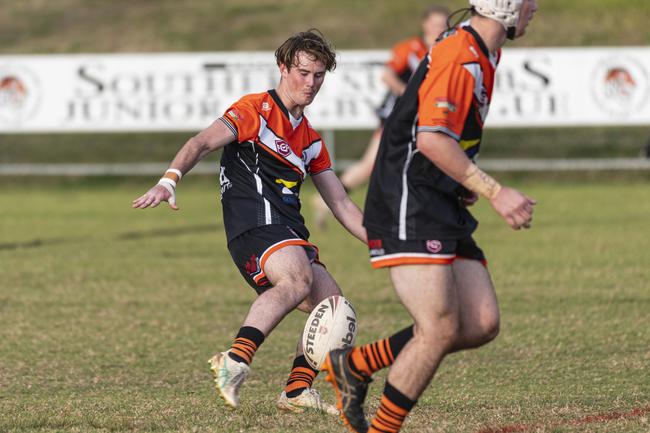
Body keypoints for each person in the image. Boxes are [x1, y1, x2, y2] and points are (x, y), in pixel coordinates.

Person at [321, 1, 539, 432]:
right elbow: (433, 140)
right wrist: (495, 192)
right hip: (410, 197)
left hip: (438, 195)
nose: (536, 7)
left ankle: (357, 364)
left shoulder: (483, 50)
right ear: (507, 6)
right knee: (438, 327)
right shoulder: (462, 52)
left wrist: (461, 183)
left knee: (479, 323)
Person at [132, 30, 366, 415]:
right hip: (255, 225)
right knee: (297, 281)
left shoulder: (310, 139)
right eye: (303, 72)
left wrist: (384, 244)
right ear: (283, 67)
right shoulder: (254, 110)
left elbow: (340, 201)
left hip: (288, 231)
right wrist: (169, 180)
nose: (310, 83)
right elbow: (201, 143)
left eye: (319, 75)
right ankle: (235, 360)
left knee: (336, 308)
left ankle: (296, 390)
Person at [313, 5, 450, 228]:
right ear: (425, 24)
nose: (439, 29)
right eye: (435, 24)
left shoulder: (445, 51)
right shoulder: (411, 49)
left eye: (443, 25)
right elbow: (387, 75)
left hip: (421, 119)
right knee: (371, 165)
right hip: (397, 118)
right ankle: (328, 199)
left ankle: (418, 211)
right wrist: (409, 96)